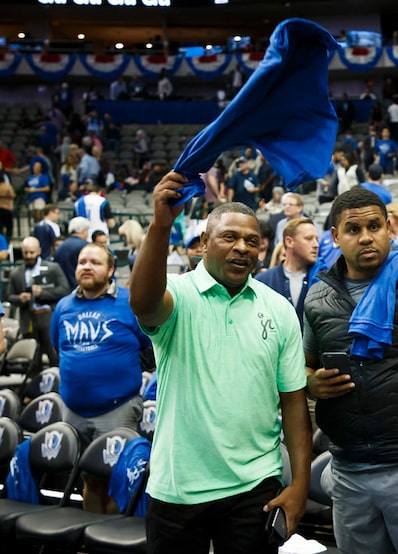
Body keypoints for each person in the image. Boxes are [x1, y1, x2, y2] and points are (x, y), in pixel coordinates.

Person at [129, 175, 312, 553]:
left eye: (252, 241)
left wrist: (299, 487)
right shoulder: (177, 296)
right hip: (178, 487)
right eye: (229, 237)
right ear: (202, 245)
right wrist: (160, 225)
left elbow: (294, 402)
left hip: (255, 487)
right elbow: (143, 303)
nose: (242, 247)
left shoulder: (279, 309)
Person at [304, 187, 398, 553]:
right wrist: (313, 383)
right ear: (336, 237)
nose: (366, 237)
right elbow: (306, 365)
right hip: (348, 470)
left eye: (375, 226)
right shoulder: (317, 297)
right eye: (353, 230)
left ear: (390, 228)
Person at [51, 242, 150, 512]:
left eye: (94, 262)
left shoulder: (129, 302)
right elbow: (57, 345)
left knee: (118, 480)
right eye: (82, 262)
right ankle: (93, 541)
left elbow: (149, 344)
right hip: (73, 411)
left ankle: (117, 540)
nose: (86, 266)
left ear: (110, 270)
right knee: (89, 480)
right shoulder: (63, 306)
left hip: (118, 410)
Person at [8, 236, 71, 369]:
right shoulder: (16, 273)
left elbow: (64, 290)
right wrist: (20, 298)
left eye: (31, 252)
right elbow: (9, 297)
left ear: (39, 251)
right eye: (25, 252)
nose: (28, 256)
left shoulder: (53, 268)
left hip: (48, 316)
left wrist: (43, 293)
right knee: (33, 361)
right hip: (28, 318)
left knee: (54, 355)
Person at [255, 217, 319, 326]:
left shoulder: (323, 280)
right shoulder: (262, 281)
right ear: (289, 241)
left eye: (317, 239)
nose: (316, 245)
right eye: (309, 238)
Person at [54, 216, 91, 289]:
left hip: (63, 289)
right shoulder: (86, 247)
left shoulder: (60, 247)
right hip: (80, 289)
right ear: (84, 231)